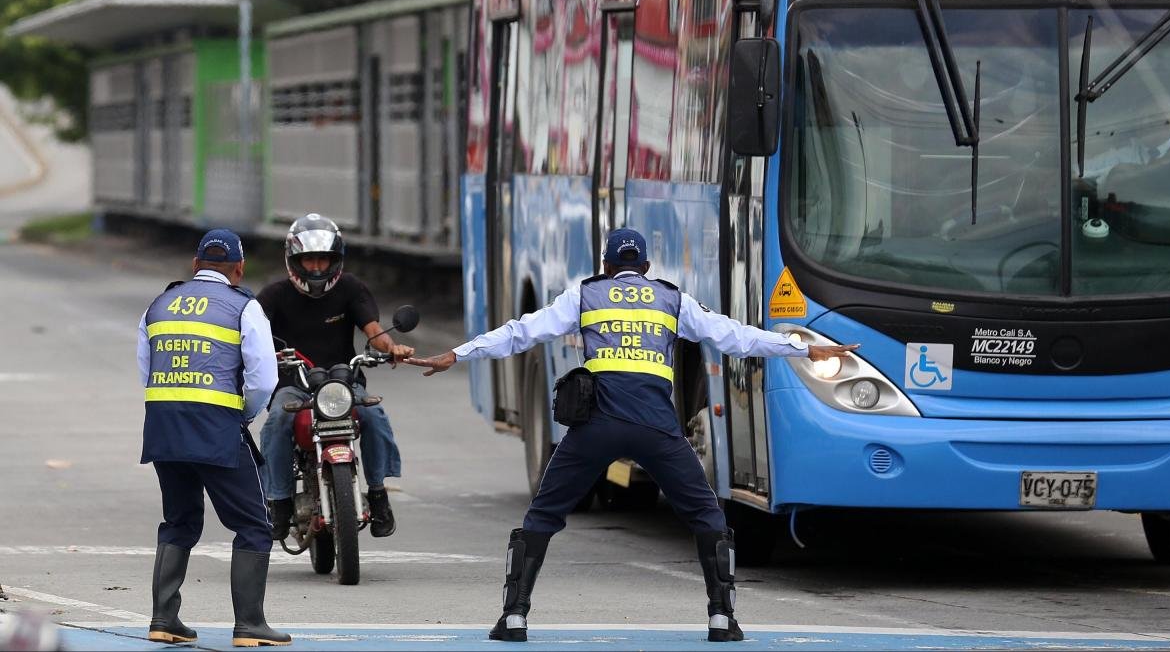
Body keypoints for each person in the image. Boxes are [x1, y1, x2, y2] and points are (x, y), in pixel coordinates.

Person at [406, 228, 859, 643]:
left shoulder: (584, 295)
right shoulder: (671, 299)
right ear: (645, 267)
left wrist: (456, 354)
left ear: (605, 265)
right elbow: (735, 338)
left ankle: (514, 617)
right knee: (706, 516)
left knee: (543, 514)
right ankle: (722, 619)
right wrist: (803, 347)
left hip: (595, 428)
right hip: (655, 429)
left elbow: (521, 333)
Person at [137, 229, 290, 647]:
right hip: (216, 427)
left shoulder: (159, 304)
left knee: (179, 520)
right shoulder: (244, 306)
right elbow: (263, 377)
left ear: (194, 265)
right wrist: (245, 413)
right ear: (238, 269)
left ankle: (164, 619)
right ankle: (250, 625)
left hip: (164, 426)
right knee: (254, 525)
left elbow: (145, 366)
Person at [256, 213, 413, 541]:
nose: (316, 268)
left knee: (374, 416)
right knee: (275, 425)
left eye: (323, 260)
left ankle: (380, 495)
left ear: (335, 261)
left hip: (343, 383)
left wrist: (393, 347)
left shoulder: (351, 289)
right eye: (309, 260)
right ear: (294, 261)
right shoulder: (273, 296)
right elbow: (253, 337)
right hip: (293, 385)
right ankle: (279, 502)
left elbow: (374, 332)